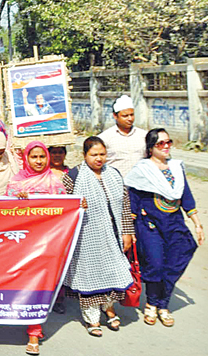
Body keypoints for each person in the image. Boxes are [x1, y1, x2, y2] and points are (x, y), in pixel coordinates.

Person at [124, 128, 205, 327]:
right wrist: (130, 230)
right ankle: (152, 303)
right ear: (151, 148)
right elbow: (133, 201)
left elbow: (186, 197)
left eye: (168, 142)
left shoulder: (176, 168)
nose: (166, 146)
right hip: (149, 224)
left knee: (175, 262)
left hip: (174, 223)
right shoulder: (142, 170)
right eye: (161, 143)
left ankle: (163, 304)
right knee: (156, 263)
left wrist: (197, 224)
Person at [62, 136, 134, 337]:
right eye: (94, 154)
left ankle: (109, 308)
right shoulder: (73, 176)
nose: (99, 158)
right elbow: (64, 206)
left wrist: (127, 232)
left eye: (102, 154)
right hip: (86, 237)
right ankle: (92, 317)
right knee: (89, 277)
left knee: (111, 272)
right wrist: (78, 206)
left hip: (113, 234)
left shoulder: (114, 174)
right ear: (84, 155)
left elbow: (124, 205)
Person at [4, 141, 67, 355]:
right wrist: (18, 200)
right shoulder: (16, 182)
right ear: (26, 159)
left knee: (41, 287)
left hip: (48, 244)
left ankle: (34, 330)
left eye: (42, 157)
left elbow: (65, 210)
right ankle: (30, 326)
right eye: (34, 157)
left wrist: (79, 205)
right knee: (26, 285)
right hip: (24, 245)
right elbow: (6, 213)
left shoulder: (55, 181)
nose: (38, 161)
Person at [98, 95, 148, 176]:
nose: (130, 119)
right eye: (125, 116)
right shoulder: (104, 138)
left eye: (132, 115)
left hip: (140, 181)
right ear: (115, 116)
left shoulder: (144, 135)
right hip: (115, 181)